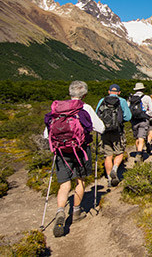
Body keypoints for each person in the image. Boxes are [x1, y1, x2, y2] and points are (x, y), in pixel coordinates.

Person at [44, 80, 105, 238]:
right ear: (84, 94)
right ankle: (76, 212)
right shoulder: (85, 108)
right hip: (80, 150)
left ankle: (60, 211)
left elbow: (46, 134)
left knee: (64, 184)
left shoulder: (57, 108)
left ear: (70, 92)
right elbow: (101, 128)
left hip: (61, 152)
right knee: (80, 180)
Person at [96, 84, 132, 187]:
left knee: (108, 155)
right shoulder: (122, 101)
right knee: (119, 152)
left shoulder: (102, 100)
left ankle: (108, 178)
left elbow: (97, 115)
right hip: (117, 131)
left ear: (109, 91)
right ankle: (115, 169)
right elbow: (128, 117)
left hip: (104, 131)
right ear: (119, 92)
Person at [128, 82, 152, 164]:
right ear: (143, 89)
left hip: (134, 120)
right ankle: (139, 154)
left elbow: (128, 109)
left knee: (137, 138)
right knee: (141, 137)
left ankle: (138, 151)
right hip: (143, 120)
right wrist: (147, 115)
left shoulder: (131, 98)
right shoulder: (147, 98)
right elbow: (151, 110)